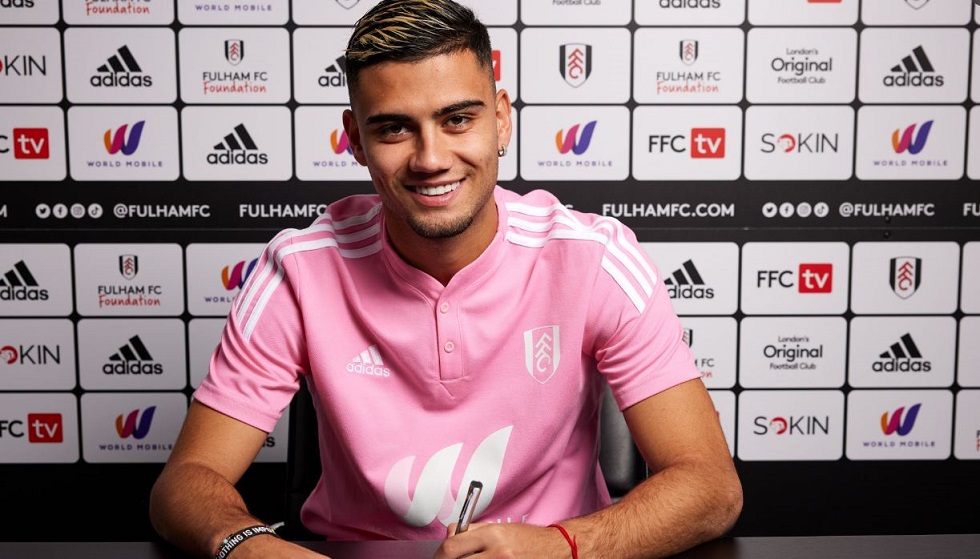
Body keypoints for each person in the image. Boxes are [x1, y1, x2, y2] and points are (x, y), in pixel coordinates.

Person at [148, 0, 743, 557]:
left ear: (501, 119)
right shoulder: (299, 269)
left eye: (457, 119)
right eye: (394, 129)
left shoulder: (593, 259)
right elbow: (186, 483)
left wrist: (558, 545)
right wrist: (249, 547)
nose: (430, 159)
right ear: (355, 140)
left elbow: (711, 486)